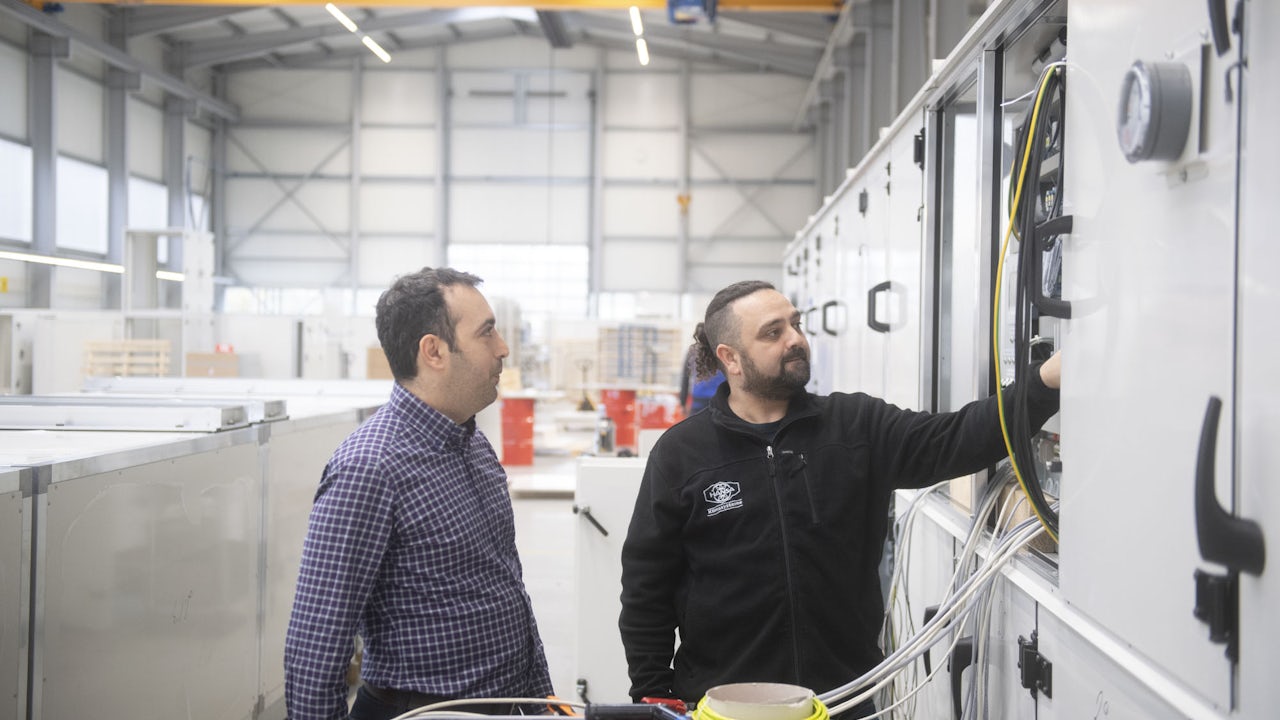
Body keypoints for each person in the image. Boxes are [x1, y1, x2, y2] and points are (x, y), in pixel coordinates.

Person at [618, 280, 1060, 717]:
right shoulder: (681, 454)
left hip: (841, 700)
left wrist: (1045, 382)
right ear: (730, 358)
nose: (795, 339)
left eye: (795, 324)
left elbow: (957, 438)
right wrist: (653, 695)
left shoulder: (855, 426)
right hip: (723, 704)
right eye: (773, 333)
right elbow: (646, 585)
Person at [284, 267, 553, 720]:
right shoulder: (369, 469)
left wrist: (540, 700)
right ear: (434, 351)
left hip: (506, 705)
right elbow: (317, 644)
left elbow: (504, 588)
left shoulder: (472, 444)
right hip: (423, 712)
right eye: (487, 333)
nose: (503, 348)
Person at [677, 334, 726, 416]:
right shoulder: (722, 351)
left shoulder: (693, 352)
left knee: (697, 427)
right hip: (721, 400)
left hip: (699, 400)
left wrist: (682, 403)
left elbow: (685, 379)